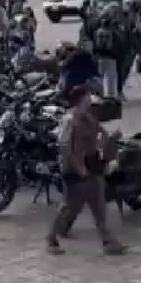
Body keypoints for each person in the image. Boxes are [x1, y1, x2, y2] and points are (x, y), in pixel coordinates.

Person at [45, 85, 125, 255]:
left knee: (98, 205)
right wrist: (78, 168)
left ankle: (108, 240)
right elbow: (65, 147)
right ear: (79, 101)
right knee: (69, 207)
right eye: (87, 99)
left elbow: (99, 136)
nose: (90, 101)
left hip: (91, 167)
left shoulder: (87, 118)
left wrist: (111, 141)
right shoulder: (70, 120)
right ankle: (52, 237)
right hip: (75, 171)